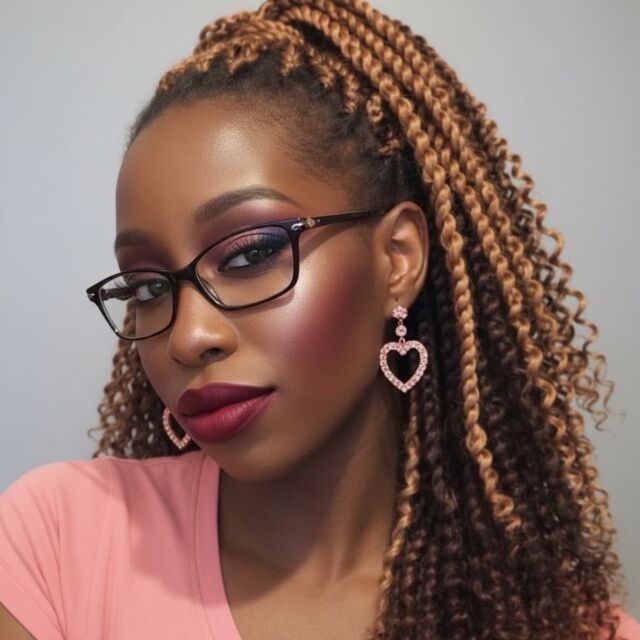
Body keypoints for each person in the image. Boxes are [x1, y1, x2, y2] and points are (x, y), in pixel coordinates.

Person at [1, 0, 638, 638]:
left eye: (250, 254)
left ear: (397, 258)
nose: (188, 337)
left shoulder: (560, 627)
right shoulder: (55, 545)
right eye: (147, 287)